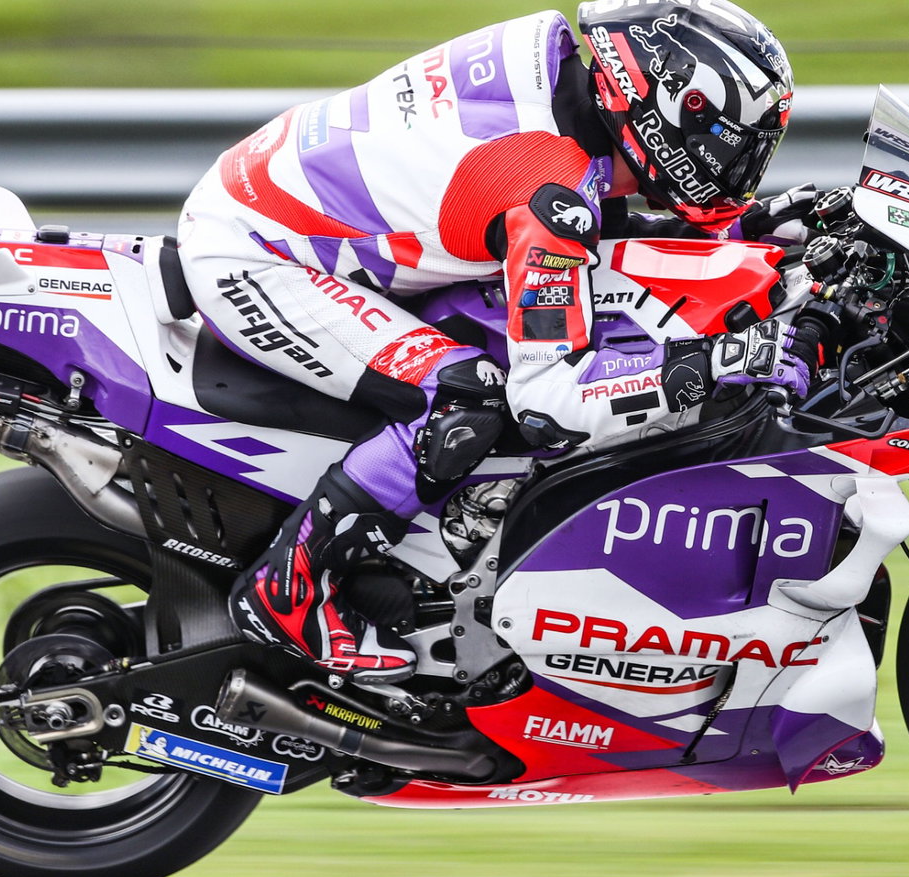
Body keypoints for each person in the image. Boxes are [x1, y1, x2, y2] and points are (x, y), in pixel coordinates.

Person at [179, 0, 820, 683]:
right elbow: (548, 398)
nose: (738, 162)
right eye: (728, 139)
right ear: (665, 106)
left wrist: (743, 234)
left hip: (280, 207)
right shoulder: (550, 189)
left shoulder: (557, 65)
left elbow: (584, 209)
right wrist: (713, 362)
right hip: (257, 259)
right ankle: (288, 591)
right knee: (465, 396)